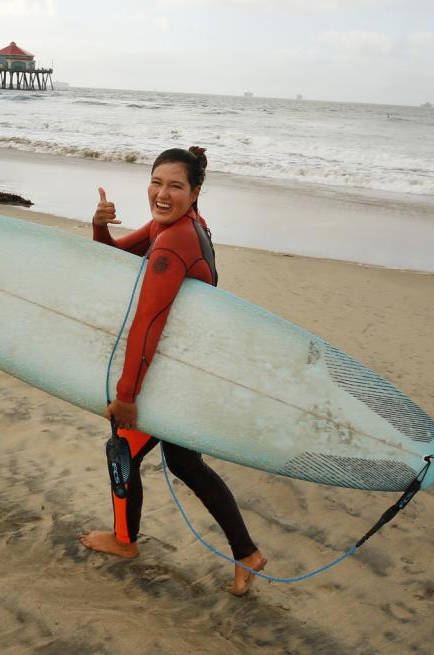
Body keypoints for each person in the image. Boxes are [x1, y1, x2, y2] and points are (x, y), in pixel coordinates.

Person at [79, 146, 267, 596]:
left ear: (195, 192)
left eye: (175, 186)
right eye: (156, 182)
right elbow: (117, 256)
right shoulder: (178, 226)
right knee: (186, 462)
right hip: (187, 366)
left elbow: (149, 319)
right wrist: (99, 226)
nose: (162, 194)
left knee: (123, 447)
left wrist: (127, 395)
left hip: (173, 374)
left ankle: (125, 542)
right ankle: (247, 554)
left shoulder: (176, 237)